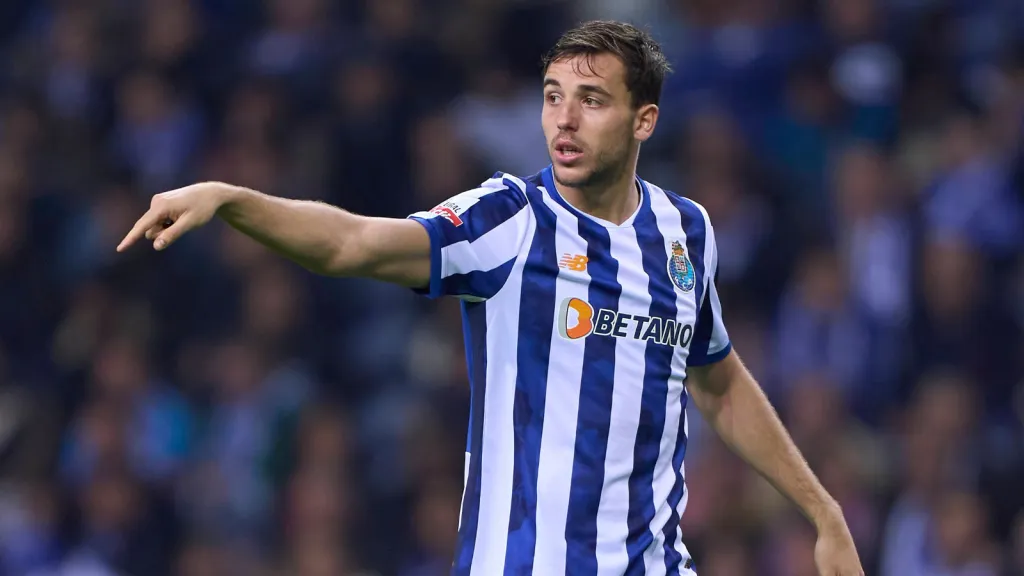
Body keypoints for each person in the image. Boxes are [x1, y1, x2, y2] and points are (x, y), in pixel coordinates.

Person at [117, 20, 864, 576]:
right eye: (552, 98)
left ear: (644, 121)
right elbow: (353, 243)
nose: (564, 121)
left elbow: (719, 378)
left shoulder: (685, 233)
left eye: (592, 101)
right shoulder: (512, 219)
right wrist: (233, 198)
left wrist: (822, 512)